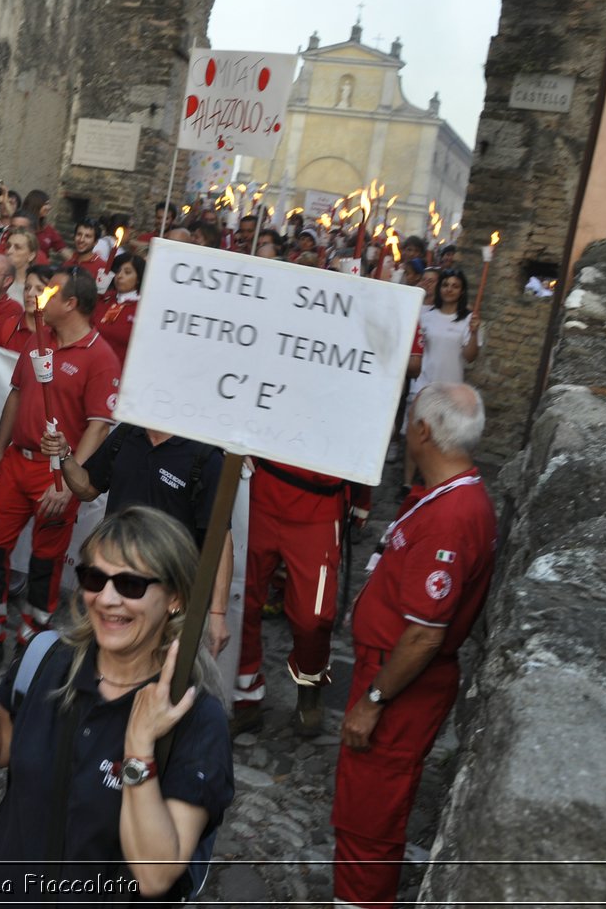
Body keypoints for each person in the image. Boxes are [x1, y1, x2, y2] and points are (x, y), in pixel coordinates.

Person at [0, 508, 234, 903]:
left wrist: (139, 749)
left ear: (176, 599)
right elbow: (0, 752)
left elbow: (155, 876)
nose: (107, 598)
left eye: (130, 584)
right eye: (95, 578)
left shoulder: (196, 717)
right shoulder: (46, 658)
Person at [332, 384, 497, 909]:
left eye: (410, 418)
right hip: (389, 672)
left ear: (424, 431)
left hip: (399, 685)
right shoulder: (446, 495)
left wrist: (372, 702)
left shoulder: (451, 515)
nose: (404, 427)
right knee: (366, 808)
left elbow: (425, 633)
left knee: (370, 817)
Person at [0, 267, 121, 662]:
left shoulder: (101, 357)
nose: (39, 297)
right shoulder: (38, 341)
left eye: (50, 292)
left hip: (56, 473)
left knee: (45, 559)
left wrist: (68, 482)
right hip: (18, 463)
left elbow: (98, 427)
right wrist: (0, 450)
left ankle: (32, 639)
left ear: (71, 304)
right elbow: (16, 397)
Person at [43, 422, 231, 656]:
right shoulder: (125, 434)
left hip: (163, 591)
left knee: (153, 663)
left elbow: (220, 537)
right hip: (114, 579)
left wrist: (217, 613)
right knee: (101, 653)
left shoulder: (205, 456)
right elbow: (88, 487)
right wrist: (64, 456)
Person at [229, 453, 368, 736]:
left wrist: (361, 498)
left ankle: (309, 689)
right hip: (262, 492)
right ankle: (245, 699)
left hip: (321, 506)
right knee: (241, 599)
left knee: (314, 618)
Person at [404, 268, 480, 490]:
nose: (449, 289)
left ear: (462, 290)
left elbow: (471, 356)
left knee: (443, 438)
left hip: (451, 387)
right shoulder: (426, 317)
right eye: (446, 285)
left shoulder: (468, 320)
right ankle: (407, 482)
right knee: (417, 433)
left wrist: (475, 333)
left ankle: (433, 480)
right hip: (424, 383)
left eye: (455, 286)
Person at [93, 251, 143, 368]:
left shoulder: (142, 308)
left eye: (127, 272)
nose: (119, 276)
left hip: (119, 371)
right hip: (91, 365)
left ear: (138, 279)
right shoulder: (105, 298)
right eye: (118, 271)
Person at [28, 191, 67, 260]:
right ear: (36, 204)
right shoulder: (23, 224)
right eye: (46, 204)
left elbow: (62, 249)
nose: (49, 207)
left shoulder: (47, 228)